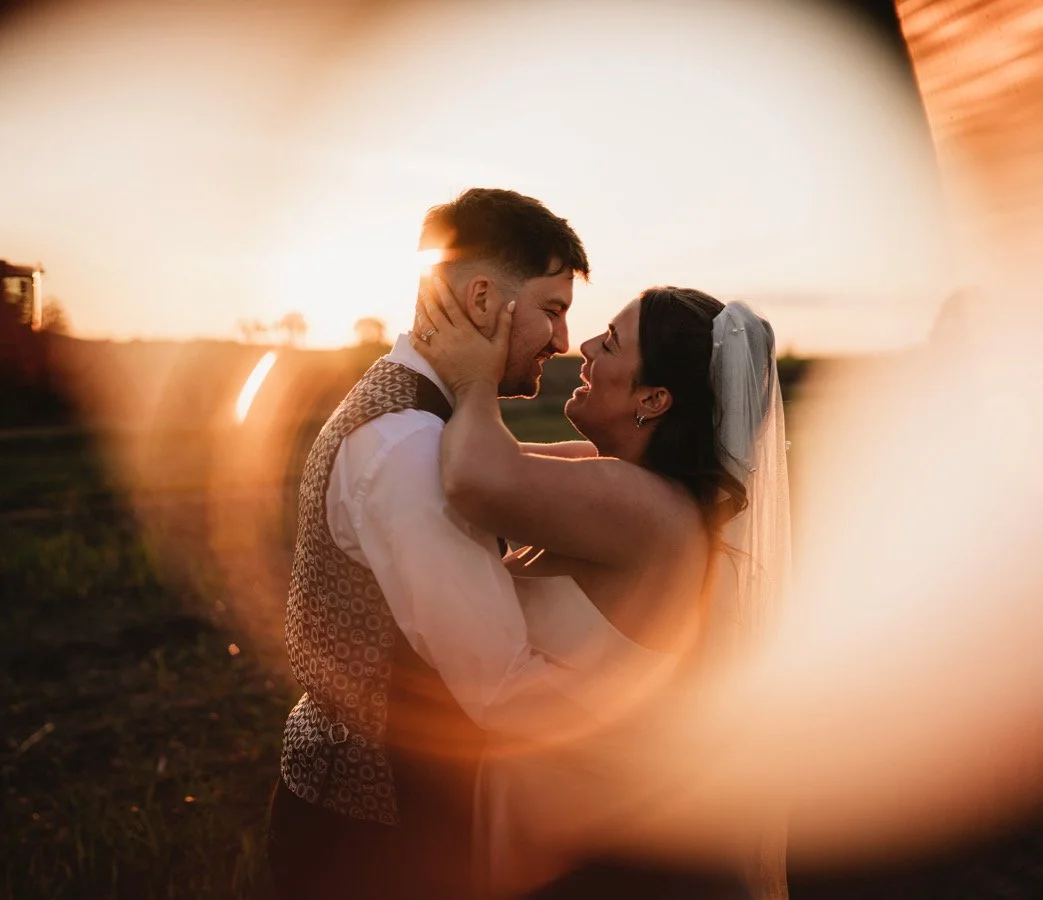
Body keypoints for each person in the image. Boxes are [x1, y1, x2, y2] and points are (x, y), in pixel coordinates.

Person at [412, 280, 791, 898]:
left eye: (611, 344)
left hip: (621, 864)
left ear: (654, 399)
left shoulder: (645, 507)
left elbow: (473, 476)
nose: (583, 346)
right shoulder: (617, 480)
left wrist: (474, 376)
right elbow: (440, 460)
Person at [266, 187, 590, 900]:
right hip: (374, 838)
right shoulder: (409, 446)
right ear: (481, 299)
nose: (563, 342)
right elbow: (501, 688)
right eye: (553, 310)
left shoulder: (414, 415)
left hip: (368, 809)